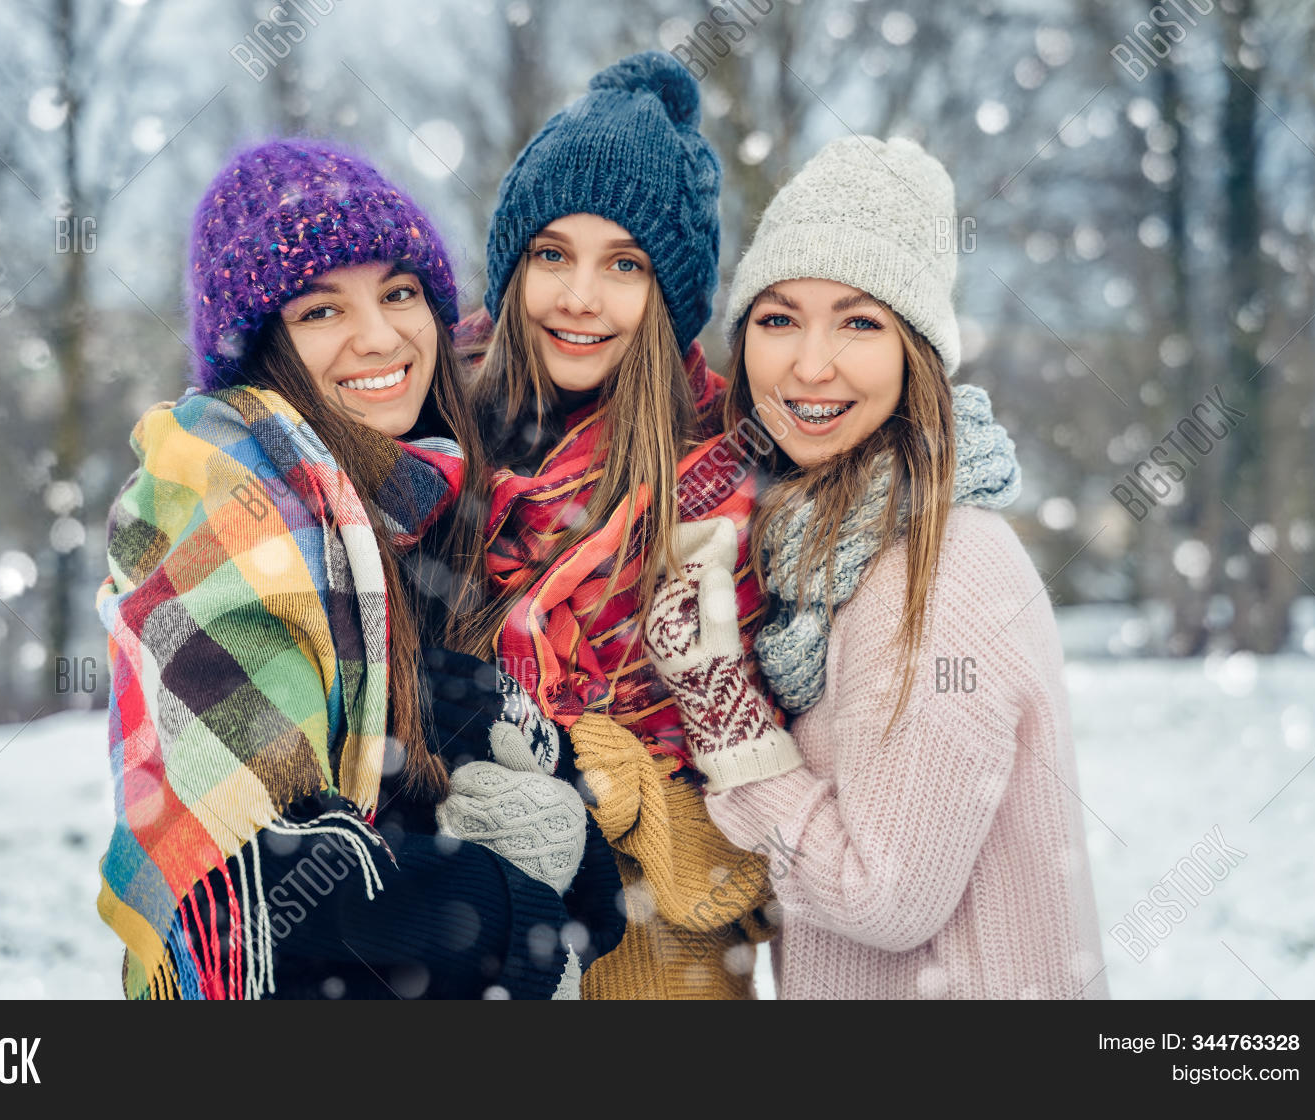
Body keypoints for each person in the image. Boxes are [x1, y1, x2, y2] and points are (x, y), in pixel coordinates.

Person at [95, 138, 619, 1000]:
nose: (380, 336)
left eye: (399, 292)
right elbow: (255, 888)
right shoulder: (228, 515)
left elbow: (370, 759)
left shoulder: (402, 511)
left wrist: (559, 819)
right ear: (261, 347)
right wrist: (508, 920)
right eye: (320, 310)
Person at [646, 136, 1111, 999]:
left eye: (860, 321)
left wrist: (723, 707)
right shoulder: (819, 554)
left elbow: (883, 893)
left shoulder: (938, 571)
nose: (809, 364)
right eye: (779, 318)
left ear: (916, 355)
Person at [445, 52, 777, 999]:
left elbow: (771, 857)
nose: (580, 297)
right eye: (551, 254)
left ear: (670, 298)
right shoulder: (430, 453)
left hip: (659, 980)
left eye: (624, 264)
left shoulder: (731, 490)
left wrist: (633, 794)